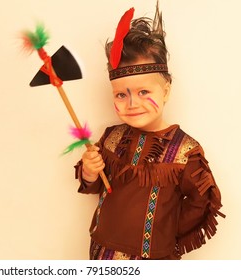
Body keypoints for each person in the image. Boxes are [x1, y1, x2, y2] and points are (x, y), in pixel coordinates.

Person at [74, 2, 225, 260]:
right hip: (102, 253)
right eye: (121, 94)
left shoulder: (185, 151)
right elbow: (95, 184)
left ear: (165, 90)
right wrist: (89, 171)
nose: (132, 104)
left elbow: (202, 204)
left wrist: (164, 232)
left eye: (144, 92)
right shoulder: (111, 138)